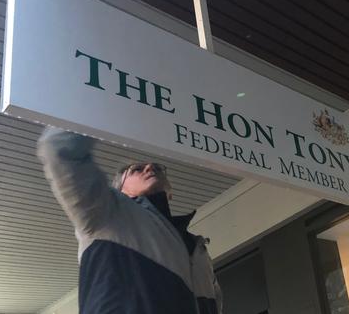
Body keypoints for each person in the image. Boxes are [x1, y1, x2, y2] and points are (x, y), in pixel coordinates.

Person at [37, 126, 223, 314]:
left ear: (170, 190)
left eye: (158, 168)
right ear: (119, 189)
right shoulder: (106, 212)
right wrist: (100, 103)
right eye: (137, 169)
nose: (150, 168)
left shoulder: (197, 249)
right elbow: (59, 148)